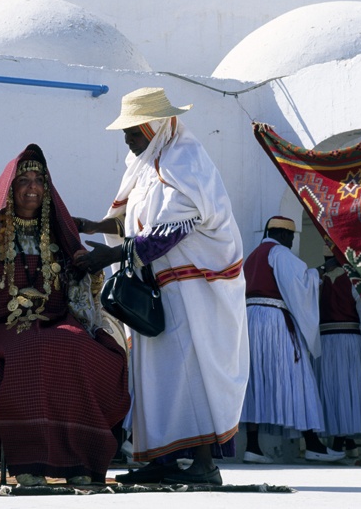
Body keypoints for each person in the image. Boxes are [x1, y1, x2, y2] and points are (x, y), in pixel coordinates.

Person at [74, 87, 249, 486]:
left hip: (195, 290)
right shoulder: (146, 166)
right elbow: (135, 224)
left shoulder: (185, 162)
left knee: (193, 371)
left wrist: (109, 256)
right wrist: (94, 226)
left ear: (156, 126)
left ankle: (203, 464)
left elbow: (170, 231)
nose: (128, 140)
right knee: (162, 376)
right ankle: (169, 459)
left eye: (133, 132)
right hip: (161, 288)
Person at [0, 144, 130, 487]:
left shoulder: (58, 234)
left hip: (55, 322)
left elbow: (81, 293)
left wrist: (89, 273)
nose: (32, 187)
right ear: (10, 188)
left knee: (89, 349)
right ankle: (30, 464)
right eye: (24, 179)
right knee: (35, 349)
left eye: (39, 180)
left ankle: (81, 462)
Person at [241, 216, 343, 463]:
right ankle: (313, 445)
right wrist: (319, 272)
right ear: (285, 236)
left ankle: (252, 448)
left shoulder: (252, 256)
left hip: (250, 320)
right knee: (297, 378)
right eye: (291, 237)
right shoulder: (280, 253)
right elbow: (299, 285)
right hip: (274, 320)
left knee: (255, 381)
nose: (290, 241)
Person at [315, 243, 361, 458]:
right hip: (350, 340)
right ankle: (341, 443)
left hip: (325, 341)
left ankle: (345, 442)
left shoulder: (316, 281)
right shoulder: (354, 281)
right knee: (350, 389)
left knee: (332, 390)